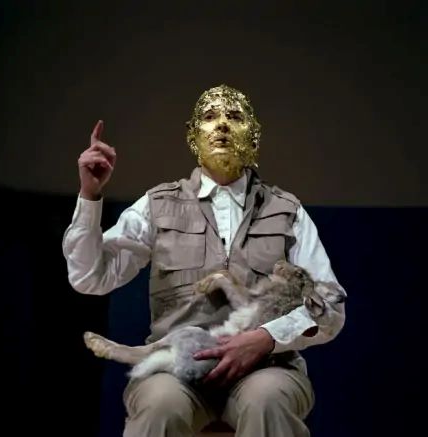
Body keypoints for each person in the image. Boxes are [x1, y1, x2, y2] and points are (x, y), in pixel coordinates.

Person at [62, 84, 346, 437]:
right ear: (192, 135)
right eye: (210, 116)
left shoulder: (287, 211)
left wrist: (267, 337)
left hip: (268, 366)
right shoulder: (157, 204)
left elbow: (330, 308)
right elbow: (89, 277)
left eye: (235, 116)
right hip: (175, 369)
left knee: (268, 400)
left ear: (254, 135)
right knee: (160, 404)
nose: (222, 124)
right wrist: (90, 196)